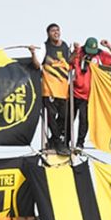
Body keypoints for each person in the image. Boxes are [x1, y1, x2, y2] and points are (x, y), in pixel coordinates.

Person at [69, 37, 111, 148]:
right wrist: (75, 51)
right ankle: (64, 141)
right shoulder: (79, 52)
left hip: (89, 95)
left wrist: (109, 46)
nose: (91, 54)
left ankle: (80, 143)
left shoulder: (100, 54)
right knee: (68, 118)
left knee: (84, 120)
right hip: (74, 92)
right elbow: (68, 63)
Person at [32, 23, 73, 152]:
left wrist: (76, 52)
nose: (56, 33)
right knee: (51, 117)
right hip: (49, 88)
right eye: (53, 31)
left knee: (64, 117)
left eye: (57, 30)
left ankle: (53, 141)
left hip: (63, 90)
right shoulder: (45, 47)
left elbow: (70, 62)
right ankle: (57, 141)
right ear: (48, 33)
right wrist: (33, 53)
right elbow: (37, 64)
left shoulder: (65, 46)